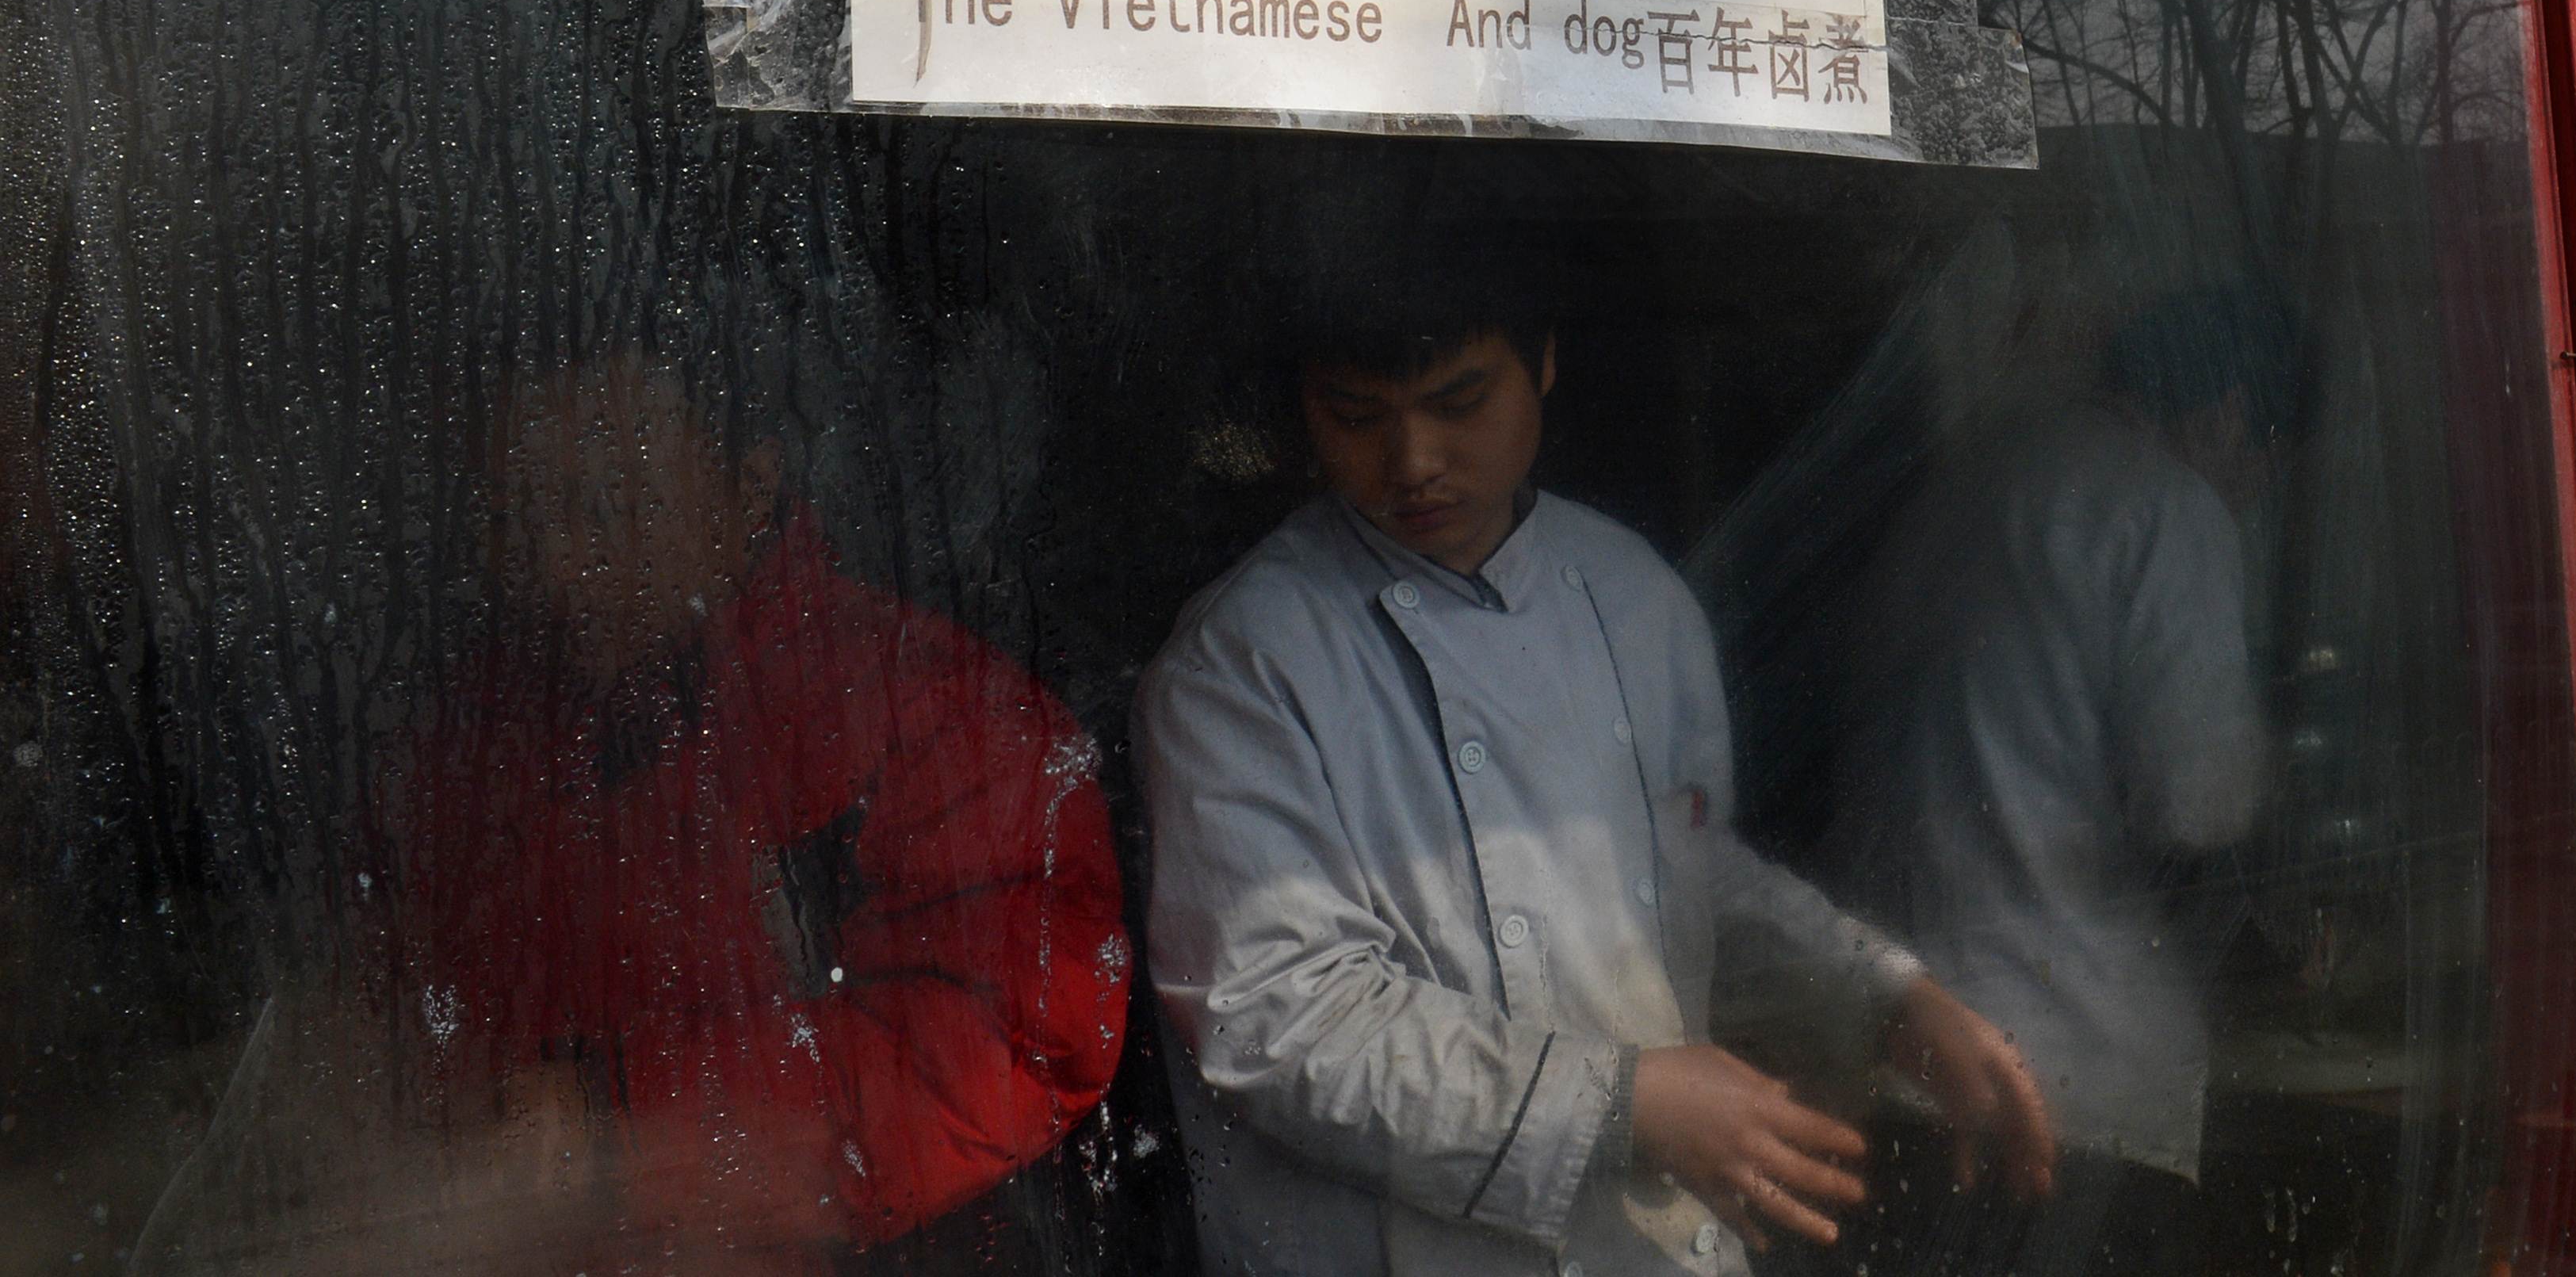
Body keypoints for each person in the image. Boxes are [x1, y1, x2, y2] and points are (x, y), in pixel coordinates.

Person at [1136, 245, 2054, 1277]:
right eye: (1356, 415)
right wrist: (1617, 1105)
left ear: (1546, 365)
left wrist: (1878, 994)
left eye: (1459, 400)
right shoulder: (1243, 662)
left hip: (1644, 1244)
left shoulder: (1630, 594)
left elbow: (1685, 868)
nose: (1413, 461)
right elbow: (1273, 1014)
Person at [366, 349, 1130, 1271]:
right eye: (510, 521)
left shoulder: (934, 717)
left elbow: (1019, 1039)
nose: (556, 567)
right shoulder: (466, 739)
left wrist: (614, 1129)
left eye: (606, 508)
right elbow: (381, 997)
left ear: (749, 486)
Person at [1821, 285, 2297, 1277]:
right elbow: (2198, 802)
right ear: (2223, 414)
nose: (2253, 491)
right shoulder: (2166, 506)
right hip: (2071, 1072)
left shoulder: (1960, 486)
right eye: (2261, 460)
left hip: (1910, 1045)